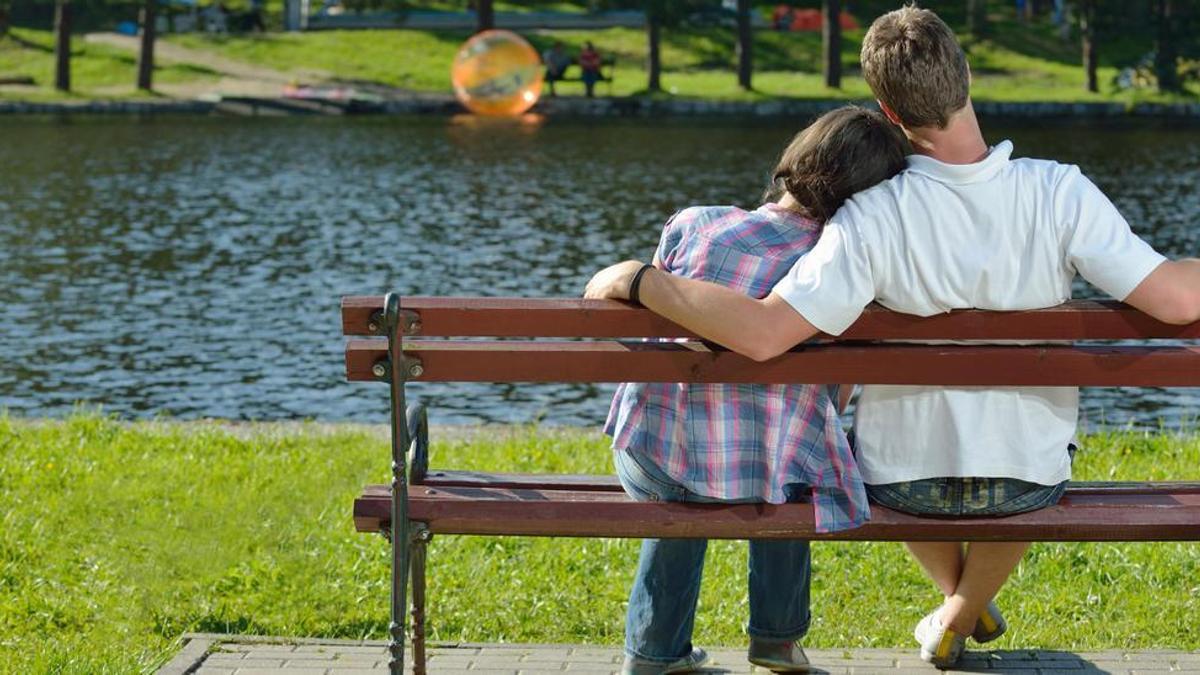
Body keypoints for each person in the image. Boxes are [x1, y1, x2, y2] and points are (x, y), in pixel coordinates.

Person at [585, 5, 1200, 669]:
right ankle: (960, 610)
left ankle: (958, 608)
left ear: (886, 108)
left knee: (894, 442)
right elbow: (1174, 299)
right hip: (1027, 482)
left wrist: (644, 279)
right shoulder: (1060, 192)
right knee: (1031, 451)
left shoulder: (871, 213)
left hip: (903, 485)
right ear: (964, 76)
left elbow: (763, 332)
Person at [610, 106, 908, 675]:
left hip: (653, 462)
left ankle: (654, 652)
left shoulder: (693, 223)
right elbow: (835, 397)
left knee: (684, 457)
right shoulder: (837, 266)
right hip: (773, 478)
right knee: (794, 457)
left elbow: (651, 332)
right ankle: (777, 639)